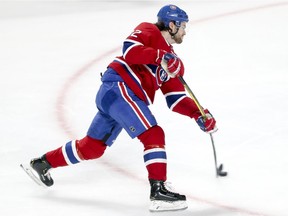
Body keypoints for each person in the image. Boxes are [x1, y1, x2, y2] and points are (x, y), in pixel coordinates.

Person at [27, 4, 217, 212]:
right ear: (172, 25)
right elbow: (130, 51)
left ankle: (42, 163)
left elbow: (176, 99)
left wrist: (198, 114)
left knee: (92, 148)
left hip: (119, 98)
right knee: (153, 134)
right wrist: (160, 57)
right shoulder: (149, 30)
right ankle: (158, 191)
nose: (185, 31)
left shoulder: (173, 62)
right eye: (183, 26)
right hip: (120, 88)